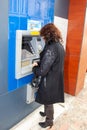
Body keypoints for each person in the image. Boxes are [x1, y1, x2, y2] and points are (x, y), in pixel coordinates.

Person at [32, 23, 65, 128]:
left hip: (50, 79)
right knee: (48, 99)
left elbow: (42, 71)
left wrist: (34, 68)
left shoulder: (51, 48)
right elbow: (52, 62)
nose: (42, 38)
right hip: (55, 77)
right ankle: (46, 113)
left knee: (49, 100)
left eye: (43, 36)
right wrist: (41, 62)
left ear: (48, 34)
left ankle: (49, 121)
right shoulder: (58, 45)